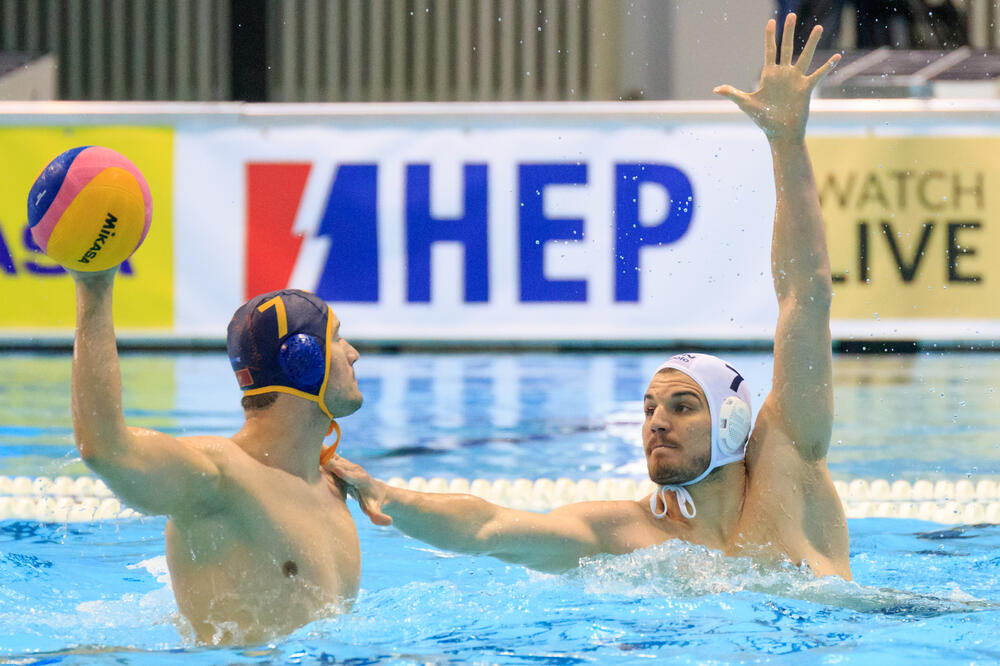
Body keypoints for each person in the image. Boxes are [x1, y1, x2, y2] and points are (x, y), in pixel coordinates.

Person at [329, 15, 850, 580]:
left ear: (731, 424)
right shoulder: (625, 535)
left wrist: (786, 142)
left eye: (680, 406)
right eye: (650, 408)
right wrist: (385, 493)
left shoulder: (788, 461)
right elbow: (488, 529)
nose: (655, 423)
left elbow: (806, 293)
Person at [71, 282, 363, 644]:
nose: (353, 354)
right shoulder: (218, 475)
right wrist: (94, 290)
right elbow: (104, 448)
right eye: (337, 338)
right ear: (302, 358)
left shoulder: (334, 486)